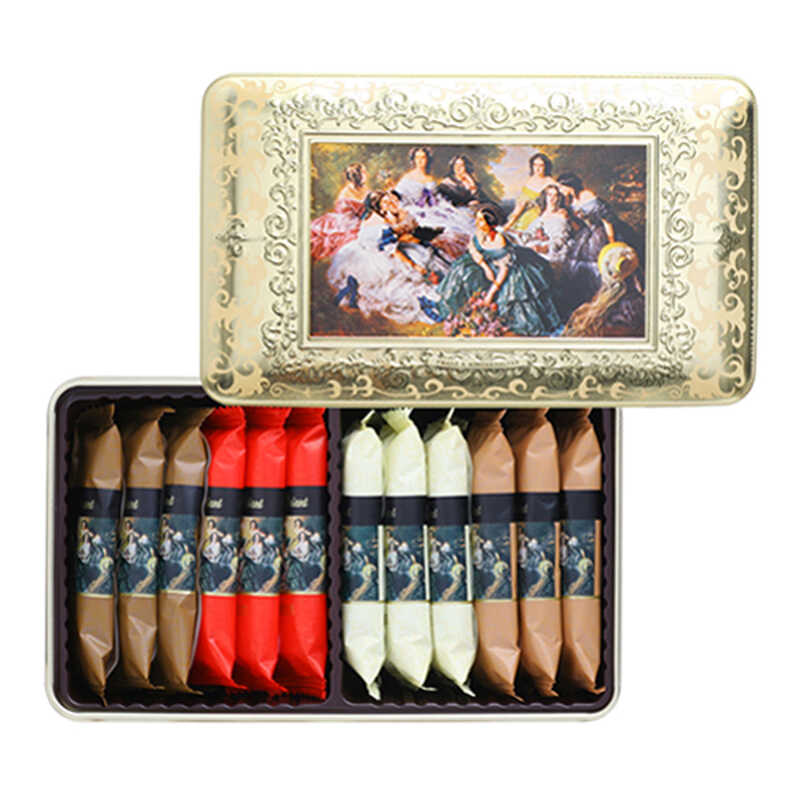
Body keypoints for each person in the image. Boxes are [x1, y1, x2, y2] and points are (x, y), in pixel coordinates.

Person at [420, 205, 560, 337]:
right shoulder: (480, 232)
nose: (477, 223)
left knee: (514, 293)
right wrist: (485, 267)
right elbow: (472, 249)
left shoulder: (500, 240)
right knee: (461, 269)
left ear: (491, 224)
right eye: (477, 219)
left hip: (506, 270)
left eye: (481, 220)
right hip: (486, 265)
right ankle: (452, 311)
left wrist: (491, 294)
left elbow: (504, 269)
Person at [326, 191, 442, 325]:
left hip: (362, 251)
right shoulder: (382, 224)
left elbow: (386, 238)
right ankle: (421, 301)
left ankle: (351, 290)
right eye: (385, 202)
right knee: (401, 280)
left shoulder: (369, 216)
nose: (390, 203)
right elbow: (393, 250)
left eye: (389, 200)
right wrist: (414, 265)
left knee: (370, 281)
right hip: (378, 257)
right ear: (379, 207)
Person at [310, 162, 369, 262]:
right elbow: (357, 210)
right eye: (364, 172)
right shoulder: (347, 192)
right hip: (346, 221)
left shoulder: (364, 189)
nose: (366, 174)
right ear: (357, 175)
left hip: (358, 218)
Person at [503, 152, 556, 232]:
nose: (537, 169)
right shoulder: (531, 179)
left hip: (534, 214)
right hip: (520, 211)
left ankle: (507, 227)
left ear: (546, 167)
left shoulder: (549, 181)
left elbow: (563, 190)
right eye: (535, 165)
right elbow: (522, 198)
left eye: (541, 165)